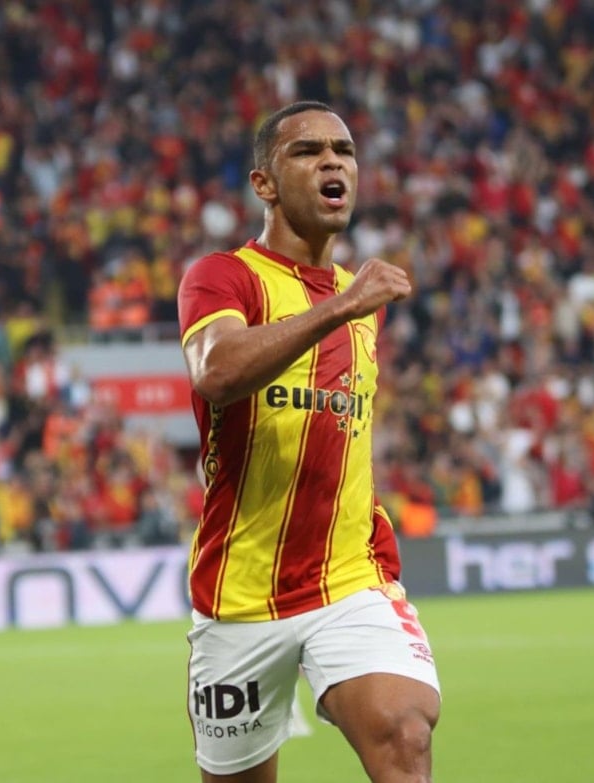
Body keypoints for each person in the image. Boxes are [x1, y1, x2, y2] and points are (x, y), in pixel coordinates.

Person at [177, 101, 441, 782]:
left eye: (343, 150)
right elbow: (217, 372)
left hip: (349, 577)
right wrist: (340, 306)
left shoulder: (361, 302)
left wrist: (348, 301)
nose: (333, 162)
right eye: (307, 150)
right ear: (263, 184)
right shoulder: (223, 276)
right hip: (240, 592)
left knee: (405, 733)